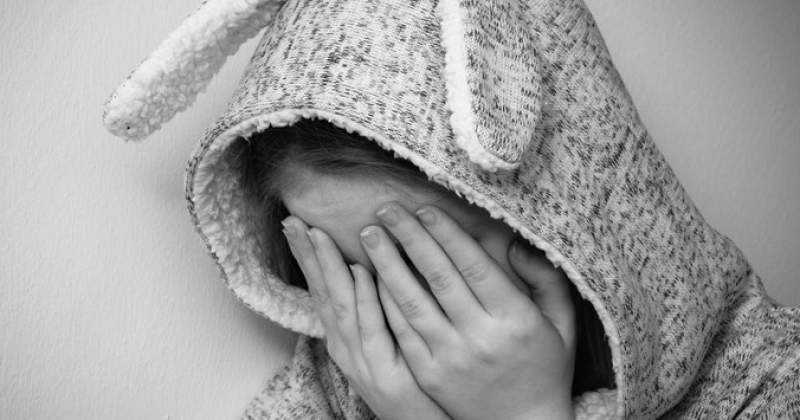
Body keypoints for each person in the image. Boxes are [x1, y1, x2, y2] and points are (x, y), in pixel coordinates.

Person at [104, 0, 800, 418]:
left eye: (438, 258)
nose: (408, 316)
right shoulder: (345, 379)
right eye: (353, 270)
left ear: (571, 221)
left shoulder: (774, 384)